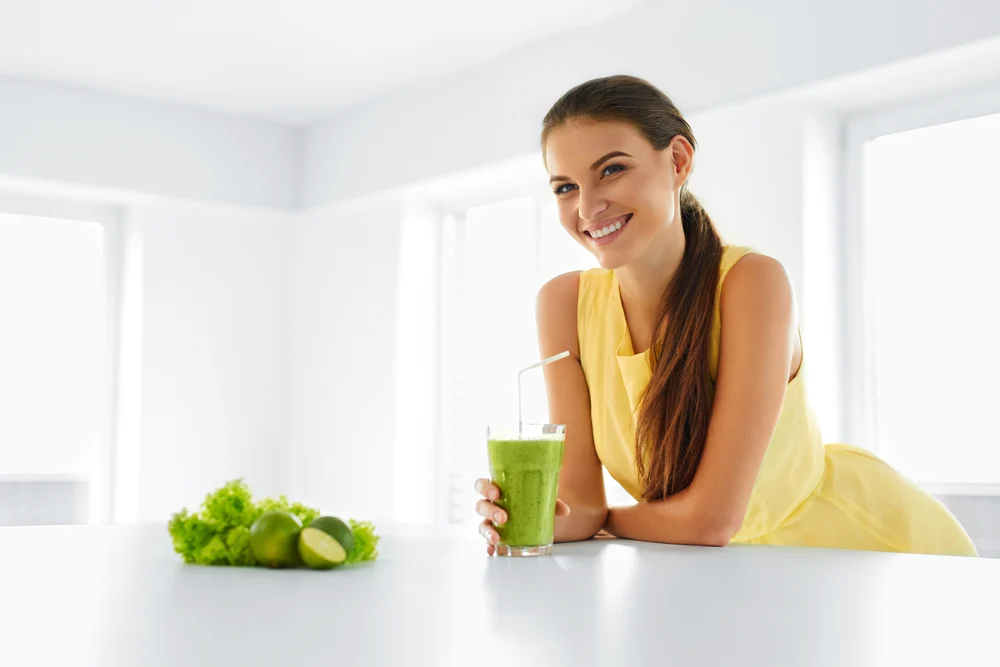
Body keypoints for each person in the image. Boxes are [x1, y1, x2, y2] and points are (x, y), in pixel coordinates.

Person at [474, 75, 977, 557]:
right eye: (564, 188)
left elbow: (711, 521)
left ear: (677, 160)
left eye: (611, 169)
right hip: (718, 579)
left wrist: (606, 521)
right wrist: (528, 517)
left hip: (863, 552)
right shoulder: (562, 304)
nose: (587, 207)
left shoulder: (751, 283)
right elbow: (581, 505)